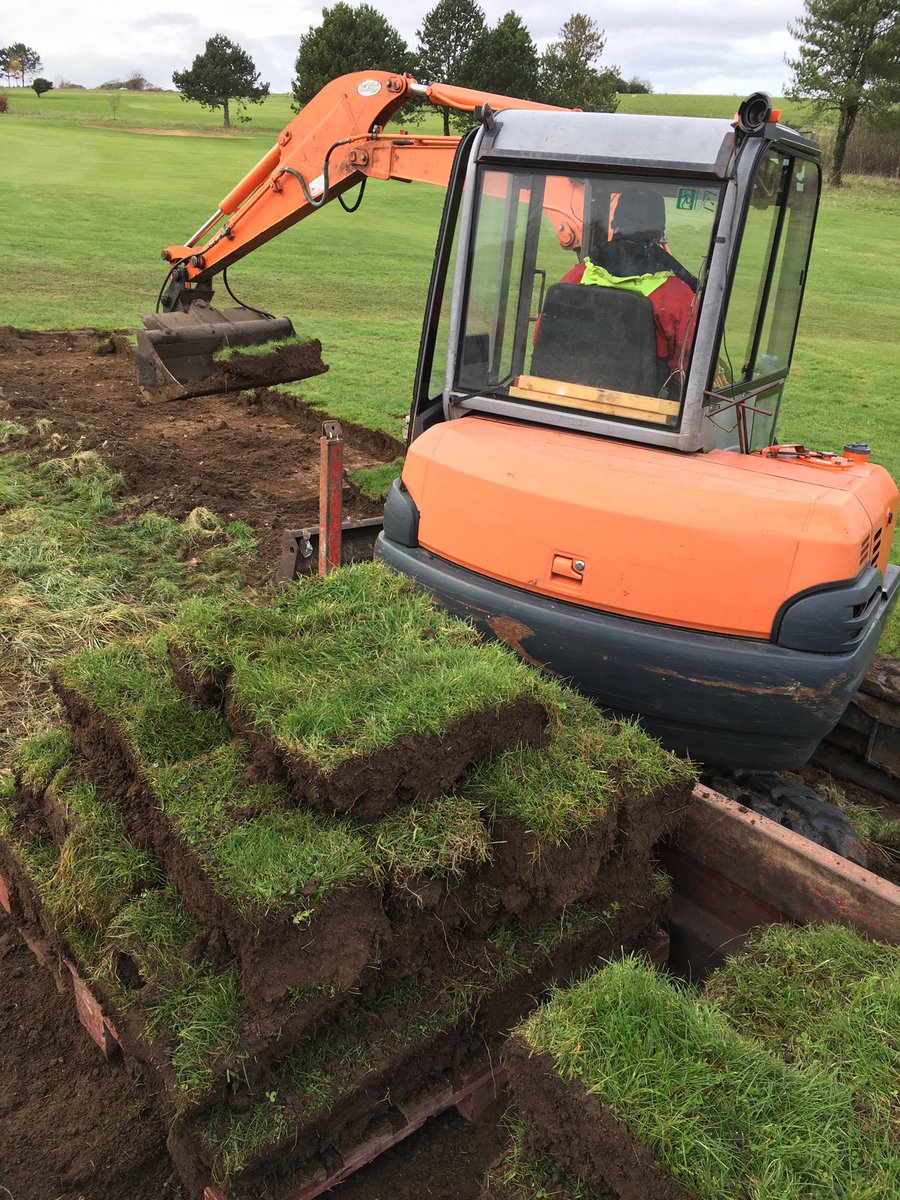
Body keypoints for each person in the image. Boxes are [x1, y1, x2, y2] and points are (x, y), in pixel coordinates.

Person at [559, 189, 698, 376]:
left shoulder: (575, 278)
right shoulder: (678, 296)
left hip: (568, 392)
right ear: (660, 231)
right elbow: (689, 366)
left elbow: (543, 338)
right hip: (647, 403)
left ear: (614, 223)